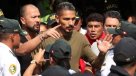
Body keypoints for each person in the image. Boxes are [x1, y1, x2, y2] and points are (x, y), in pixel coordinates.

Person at [38, 2, 112, 72]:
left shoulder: (80, 38)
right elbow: (35, 65)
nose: (71, 23)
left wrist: (102, 53)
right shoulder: (44, 37)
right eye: (66, 19)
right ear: (57, 18)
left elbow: (96, 65)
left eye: (73, 19)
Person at [18, 4, 61, 74]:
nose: (38, 20)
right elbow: (21, 50)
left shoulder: (43, 36)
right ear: (23, 20)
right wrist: (42, 36)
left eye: (39, 16)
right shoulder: (17, 37)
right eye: (34, 17)